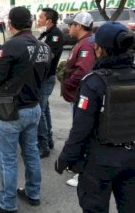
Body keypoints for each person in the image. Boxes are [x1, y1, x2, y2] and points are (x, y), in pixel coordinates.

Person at [0, 6, 51, 213]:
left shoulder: (12, 45)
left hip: (11, 112)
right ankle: (33, 193)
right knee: (31, 153)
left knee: (8, 159)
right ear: (31, 22)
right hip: (34, 109)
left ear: (10, 24)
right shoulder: (44, 47)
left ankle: (7, 205)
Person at [55, 21, 135, 213]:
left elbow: (81, 129)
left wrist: (66, 158)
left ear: (101, 49)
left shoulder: (94, 82)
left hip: (100, 162)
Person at [61, 12, 96, 187]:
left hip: (83, 96)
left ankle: (82, 172)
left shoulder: (86, 45)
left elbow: (83, 71)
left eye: (71, 24)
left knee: (82, 132)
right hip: (83, 95)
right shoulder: (86, 42)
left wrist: (68, 82)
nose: (69, 27)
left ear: (79, 26)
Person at [36, 8, 64, 158]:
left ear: (49, 20)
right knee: (44, 109)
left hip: (47, 78)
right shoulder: (46, 34)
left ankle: (43, 145)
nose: (38, 19)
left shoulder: (55, 35)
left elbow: (48, 56)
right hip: (42, 78)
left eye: (41, 17)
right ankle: (49, 139)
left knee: (39, 111)